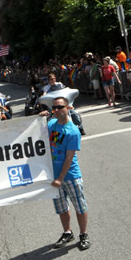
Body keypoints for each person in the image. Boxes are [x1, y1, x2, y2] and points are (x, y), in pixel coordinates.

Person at [39, 97, 90, 250]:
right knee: (61, 207)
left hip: (70, 175)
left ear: (68, 108)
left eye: (59, 107)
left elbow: (69, 157)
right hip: (54, 176)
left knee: (79, 206)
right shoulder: (51, 124)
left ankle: (83, 234)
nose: (56, 110)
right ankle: (67, 232)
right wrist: (38, 119)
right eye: (53, 107)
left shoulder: (73, 131)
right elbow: (37, 136)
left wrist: (60, 178)